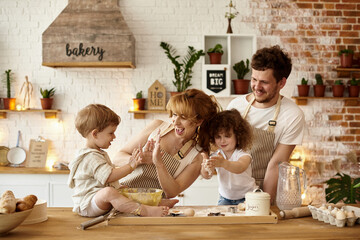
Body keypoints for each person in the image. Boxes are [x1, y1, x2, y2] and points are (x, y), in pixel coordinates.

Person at [227, 45, 305, 203]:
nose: (256, 87)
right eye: (254, 79)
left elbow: (276, 163)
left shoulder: (292, 114)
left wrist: (264, 204)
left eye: (264, 82)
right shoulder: (236, 107)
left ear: (281, 83)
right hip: (232, 193)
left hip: (263, 192)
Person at [113, 89, 221, 199]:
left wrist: (159, 164)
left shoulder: (197, 156)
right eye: (175, 114)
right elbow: (117, 157)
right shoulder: (157, 127)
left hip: (152, 208)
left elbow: (172, 192)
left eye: (183, 117)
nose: (176, 121)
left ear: (199, 121)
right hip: (119, 194)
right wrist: (138, 160)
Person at [67, 104, 169, 217]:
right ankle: (145, 210)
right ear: (95, 134)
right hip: (88, 204)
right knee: (109, 192)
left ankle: (156, 203)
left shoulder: (97, 153)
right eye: (110, 133)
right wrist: (131, 166)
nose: (114, 137)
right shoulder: (90, 157)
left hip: (97, 201)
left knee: (124, 189)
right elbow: (109, 176)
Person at [200, 109, 257, 205]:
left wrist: (223, 163)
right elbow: (206, 175)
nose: (222, 141)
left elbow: (240, 167)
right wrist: (206, 164)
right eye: (218, 137)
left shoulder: (243, 153)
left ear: (238, 135)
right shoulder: (216, 155)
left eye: (227, 136)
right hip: (225, 198)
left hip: (248, 197)